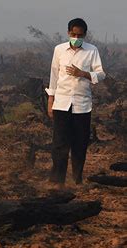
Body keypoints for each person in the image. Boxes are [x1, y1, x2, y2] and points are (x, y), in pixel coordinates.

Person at [45, 18, 106, 188]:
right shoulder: (59, 50)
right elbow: (54, 76)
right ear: (68, 33)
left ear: (85, 35)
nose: (76, 37)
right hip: (62, 102)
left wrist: (84, 73)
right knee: (59, 144)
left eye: (80, 35)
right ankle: (57, 181)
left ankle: (77, 180)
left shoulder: (92, 51)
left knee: (79, 143)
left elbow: (101, 74)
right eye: (73, 34)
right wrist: (51, 100)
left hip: (82, 104)